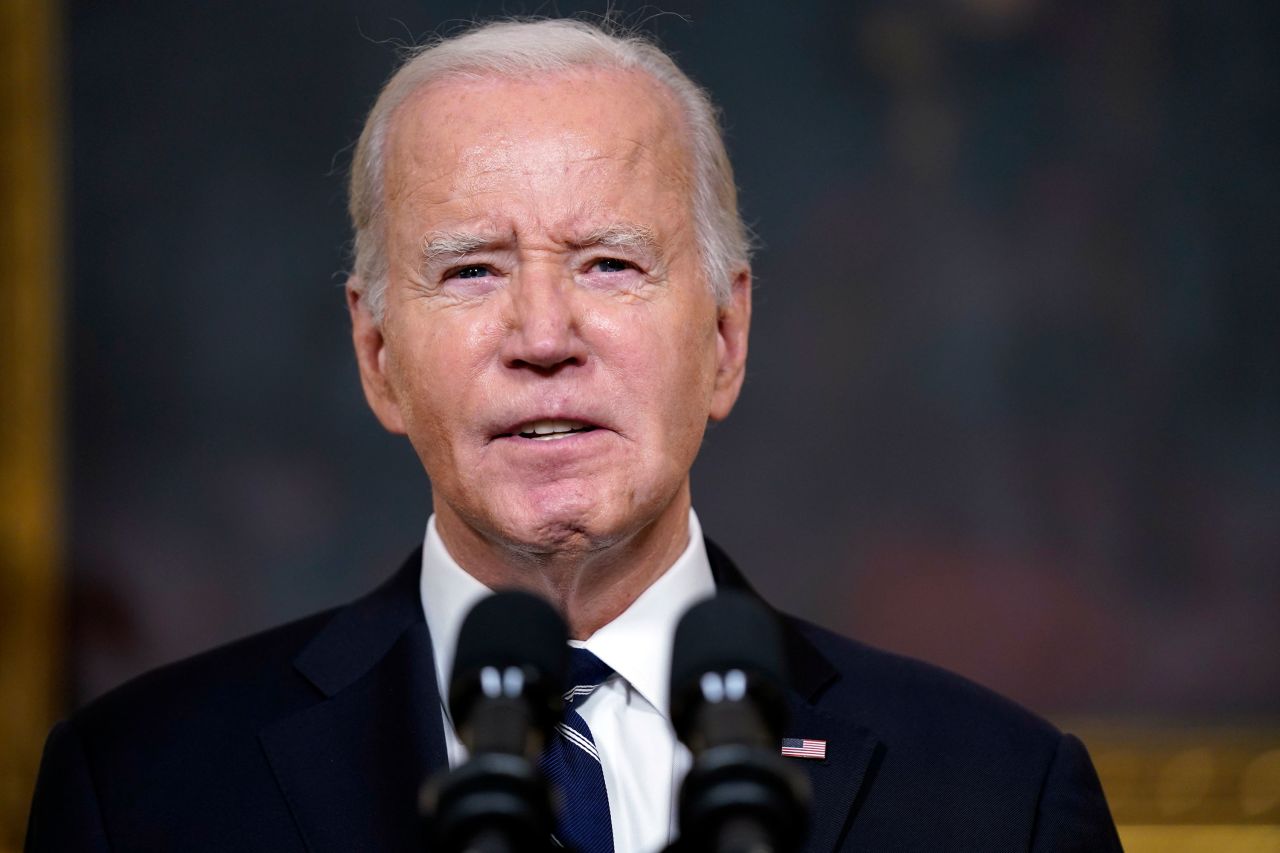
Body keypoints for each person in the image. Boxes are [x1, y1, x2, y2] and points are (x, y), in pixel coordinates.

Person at [26, 18, 1121, 853]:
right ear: (376, 358)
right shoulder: (141, 788)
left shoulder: (995, 795)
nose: (543, 336)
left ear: (725, 339)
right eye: (470, 270)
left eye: (608, 262)